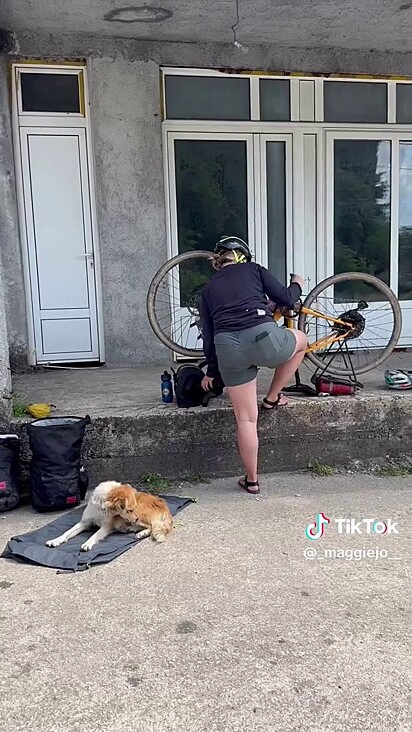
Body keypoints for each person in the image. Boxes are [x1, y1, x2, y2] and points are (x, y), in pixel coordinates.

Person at [199, 236, 307, 495]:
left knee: (246, 420)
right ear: (243, 256)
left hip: (227, 348)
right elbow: (287, 299)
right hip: (263, 337)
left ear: (219, 261)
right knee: (301, 341)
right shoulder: (254, 270)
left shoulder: (207, 289)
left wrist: (212, 372)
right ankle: (272, 397)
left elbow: (208, 334)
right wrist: (297, 284)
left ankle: (252, 480)